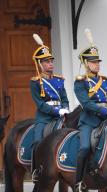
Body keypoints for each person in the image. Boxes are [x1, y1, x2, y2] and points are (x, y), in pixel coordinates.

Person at [73, 29, 107, 192]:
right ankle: (78, 181)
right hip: (89, 122)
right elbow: (86, 104)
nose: (97, 64)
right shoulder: (80, 82)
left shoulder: (104, 81)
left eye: (98, 61)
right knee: (85, 148)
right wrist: (105, 111)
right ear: (86, 63)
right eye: (93, 62)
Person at [30, 34, 69, 181]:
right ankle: (35, 171)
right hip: (44, 118)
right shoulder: (35, 82)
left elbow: (64, 98)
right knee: (37, 141)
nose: (51, 64)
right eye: (47, 61)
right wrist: (56, 110)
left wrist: (65, 108)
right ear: (40, 64)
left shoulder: (59, 80)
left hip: (61, 115)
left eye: (51, 61)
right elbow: (39, 104)